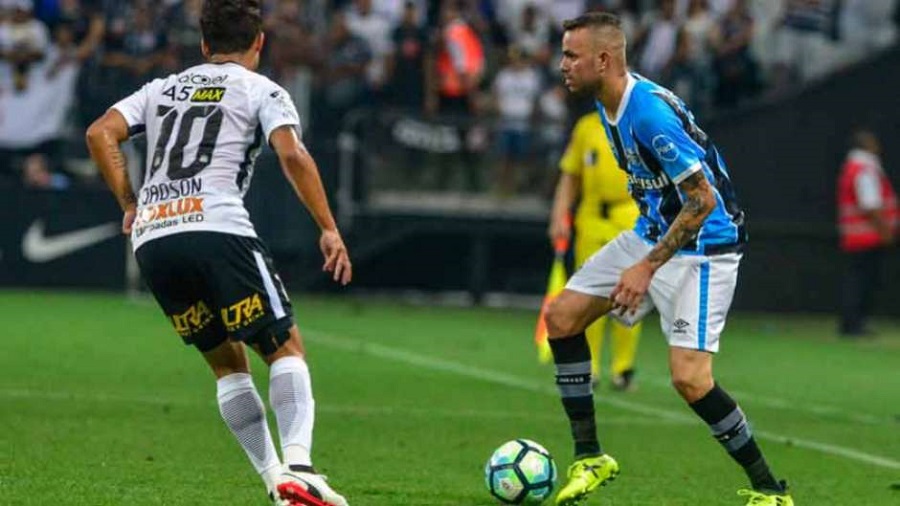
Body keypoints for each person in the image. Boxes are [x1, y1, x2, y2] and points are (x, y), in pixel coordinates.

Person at [85, 1, 351, 505]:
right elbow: (292, 153)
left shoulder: (161, 88)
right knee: (285, 349)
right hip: (218, 229)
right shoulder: (262, 89)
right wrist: (328, 228)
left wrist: (129, 203)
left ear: (205, 44)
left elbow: (100, 133)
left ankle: (276, 483)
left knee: (228, 366)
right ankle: (300, 467)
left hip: (155, 240)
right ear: (260, 43)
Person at [549, 12, 793, 506]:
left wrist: (646, 267)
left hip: (706, 246)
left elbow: (702, 201)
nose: (563, 65)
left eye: (572, 55)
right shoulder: (605, 104)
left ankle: (771, 491)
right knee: (562, 317)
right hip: (653, 231)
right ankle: (590, 457)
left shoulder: (648, 114)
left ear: (603, 59)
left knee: (690, 379)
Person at [548, 111, 642, 391]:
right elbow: (570, 175)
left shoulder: (638, 122)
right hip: (590, 216)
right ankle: (590, 367)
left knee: (628, 294)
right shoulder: (586, 126)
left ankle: (623, 367)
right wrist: (559, 215)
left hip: (628, 214)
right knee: (588, 294)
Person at [836, 130, 897, 337]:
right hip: (866, 235)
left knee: (856, 280)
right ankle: (855, 324)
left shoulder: (852, 167)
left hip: (856, 234)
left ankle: (852, 322)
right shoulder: (865, 169)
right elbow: (870, 204)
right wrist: (885, 229)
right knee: (862, 281)